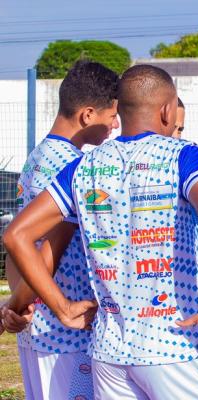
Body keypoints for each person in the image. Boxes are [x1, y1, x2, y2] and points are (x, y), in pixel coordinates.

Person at [3, 65, 198, 399]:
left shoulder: (83, 165)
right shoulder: (186, 155)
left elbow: (16, 235)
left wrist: (62, 307)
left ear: (120, 112)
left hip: (109, 352)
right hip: (172, 347)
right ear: (167, 111)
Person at [0, 60, 119, 400]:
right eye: (111, 116)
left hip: (36, 329)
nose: (115, 124)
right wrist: (20, 307)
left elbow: (15, 249)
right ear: (87, 115)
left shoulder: (36, 157)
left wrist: (15, 305)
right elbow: (47, 250)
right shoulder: (72, 168)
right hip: (63, 333)